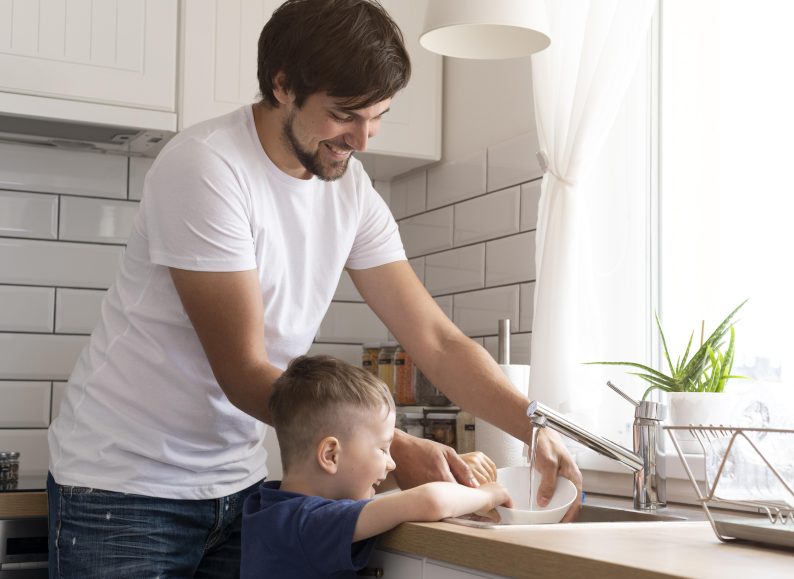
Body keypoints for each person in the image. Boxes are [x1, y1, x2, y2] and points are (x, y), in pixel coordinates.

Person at [47, 0, 581, 576]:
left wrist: (535, 426)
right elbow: (244, 371)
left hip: (240, 483)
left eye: (377, 115)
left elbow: (435, 339)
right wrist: (392, 446)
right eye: (346, 114)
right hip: (125, 486)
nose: (363, 138)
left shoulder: (350, 191)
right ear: (282, 85)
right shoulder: (207, 168)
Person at [241, 355, 513, 578]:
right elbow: (429, 501)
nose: (392, 462)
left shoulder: (268, 509)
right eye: (383, 449)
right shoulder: (311, 523)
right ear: (331, 455)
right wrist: (486, 495)